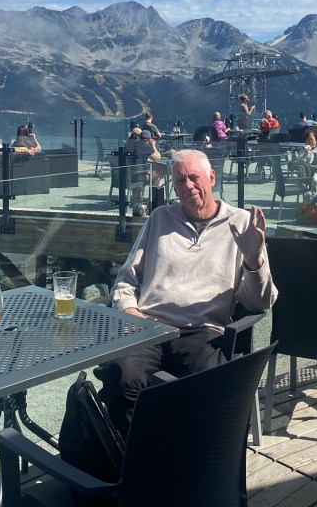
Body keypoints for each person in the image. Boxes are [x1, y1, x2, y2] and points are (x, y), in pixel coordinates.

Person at [105, 149, 277, 433]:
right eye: (180, 181)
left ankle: (192, 456)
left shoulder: (242, 224)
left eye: (194, 177)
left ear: (212, 177)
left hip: (203, 331)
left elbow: (259, 303)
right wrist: (130, 311)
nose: (187, 186)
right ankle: (132, 456)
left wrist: (253, 261)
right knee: (123, 381)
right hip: (149, 327)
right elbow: (125, 278)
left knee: (203, 390)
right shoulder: (159, 218)